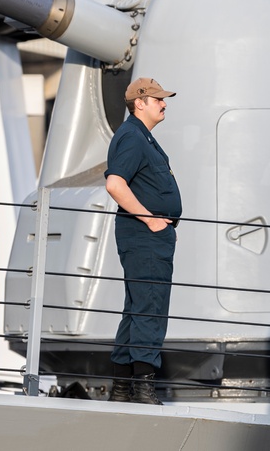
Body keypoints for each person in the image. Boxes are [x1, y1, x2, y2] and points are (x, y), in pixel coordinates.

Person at [105, 78, 181, 405]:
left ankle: (122, 387)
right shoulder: (133, 137)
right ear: (140, 103)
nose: (164, 104)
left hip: (149, 237)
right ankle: (143, 388)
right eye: (158, 99)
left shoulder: (141, 136)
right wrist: (150, 219)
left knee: (138, 307)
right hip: (145, 236)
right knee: (150, 305)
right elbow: (115, 184)